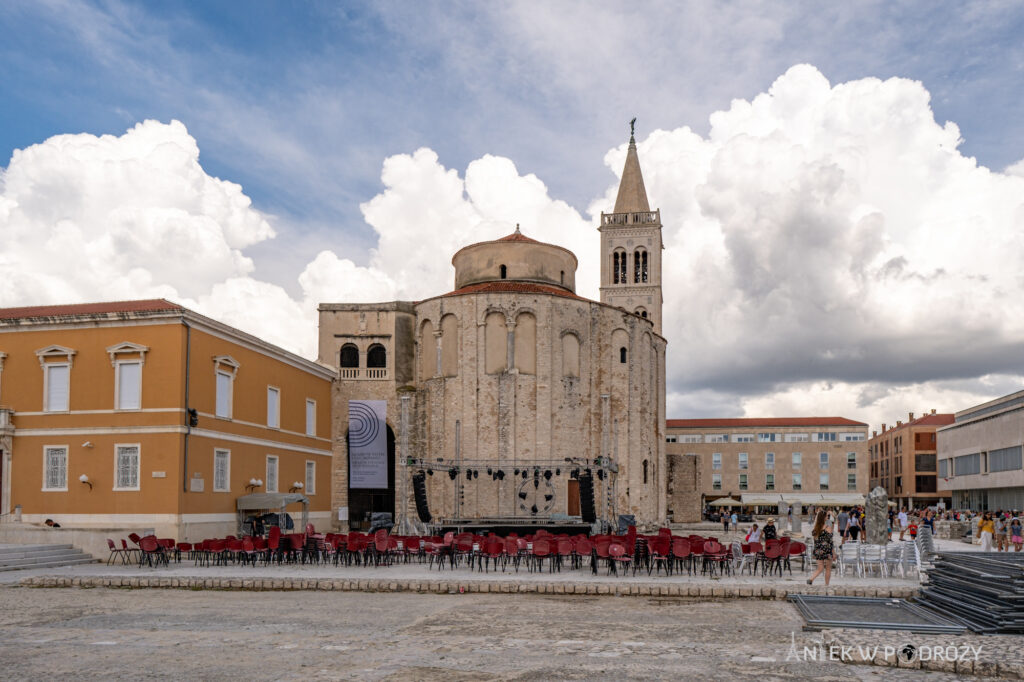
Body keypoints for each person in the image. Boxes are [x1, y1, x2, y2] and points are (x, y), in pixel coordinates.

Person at [807, 509, 835, 586]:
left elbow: (815, 541)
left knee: (820, 568)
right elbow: (830, 541)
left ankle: (811, 579)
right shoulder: (827, 527)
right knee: (828, 568)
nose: (827, 517)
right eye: (826, 516)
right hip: (826, 550)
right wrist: (834, 553)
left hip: (818, 550)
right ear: (823, 518)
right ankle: (826, 585)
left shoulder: (815, 529)